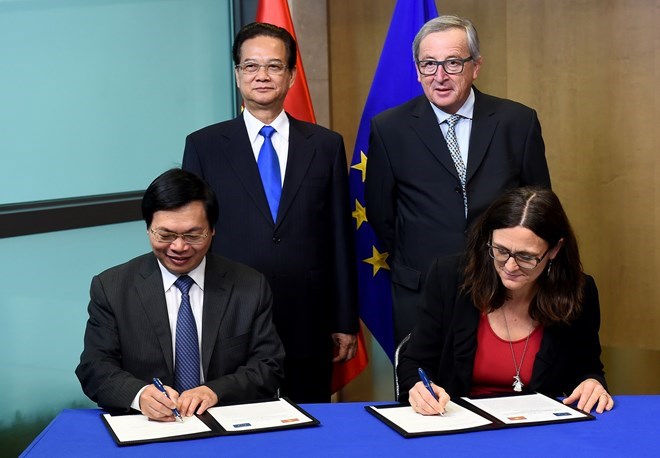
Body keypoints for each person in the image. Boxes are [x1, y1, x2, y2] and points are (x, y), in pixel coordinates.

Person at [182, 22, 358, 403]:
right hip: (230, 314)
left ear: (292, 75)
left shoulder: (325, 145)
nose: (262, 75)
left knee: (308, 425)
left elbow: (339, 238)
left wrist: (344, 318)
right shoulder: (204, 146)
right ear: (237, 75)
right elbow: (192, 233)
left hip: (308, 318)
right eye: (251, 66)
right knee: (235, 422)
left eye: (274, 66)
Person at [365, 15, 552, 347]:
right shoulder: (388, 128)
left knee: (497, 390)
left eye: (452, 63)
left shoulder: (517, 122)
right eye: (428, 64)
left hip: (503, 285)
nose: (439, 76)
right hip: (421, 289)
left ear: (475, 66)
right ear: (417, 69)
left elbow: (538, 209)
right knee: (424, 392)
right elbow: (382, 214)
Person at [76, 169, 284, 421]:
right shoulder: (112, 287)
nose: (179, 246)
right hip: (148, 426)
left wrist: (215, 391)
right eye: (165, 235)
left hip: (224, 421)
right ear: (148, 229)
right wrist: (139, 395)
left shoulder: (250, 285)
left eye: (193, 235)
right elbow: (94, 367)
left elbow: (268, 365)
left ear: (213, 230)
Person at [398, 187, 614, 415]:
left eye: (526, 256)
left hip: (539, 430)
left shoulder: (578, 290)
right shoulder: (449, 278)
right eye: (501, 250)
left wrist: (592, 383)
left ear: (555, 249)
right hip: (459, 425)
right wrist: (419, 387)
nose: (510, 266)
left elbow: (587, 369)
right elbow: (414, 363)